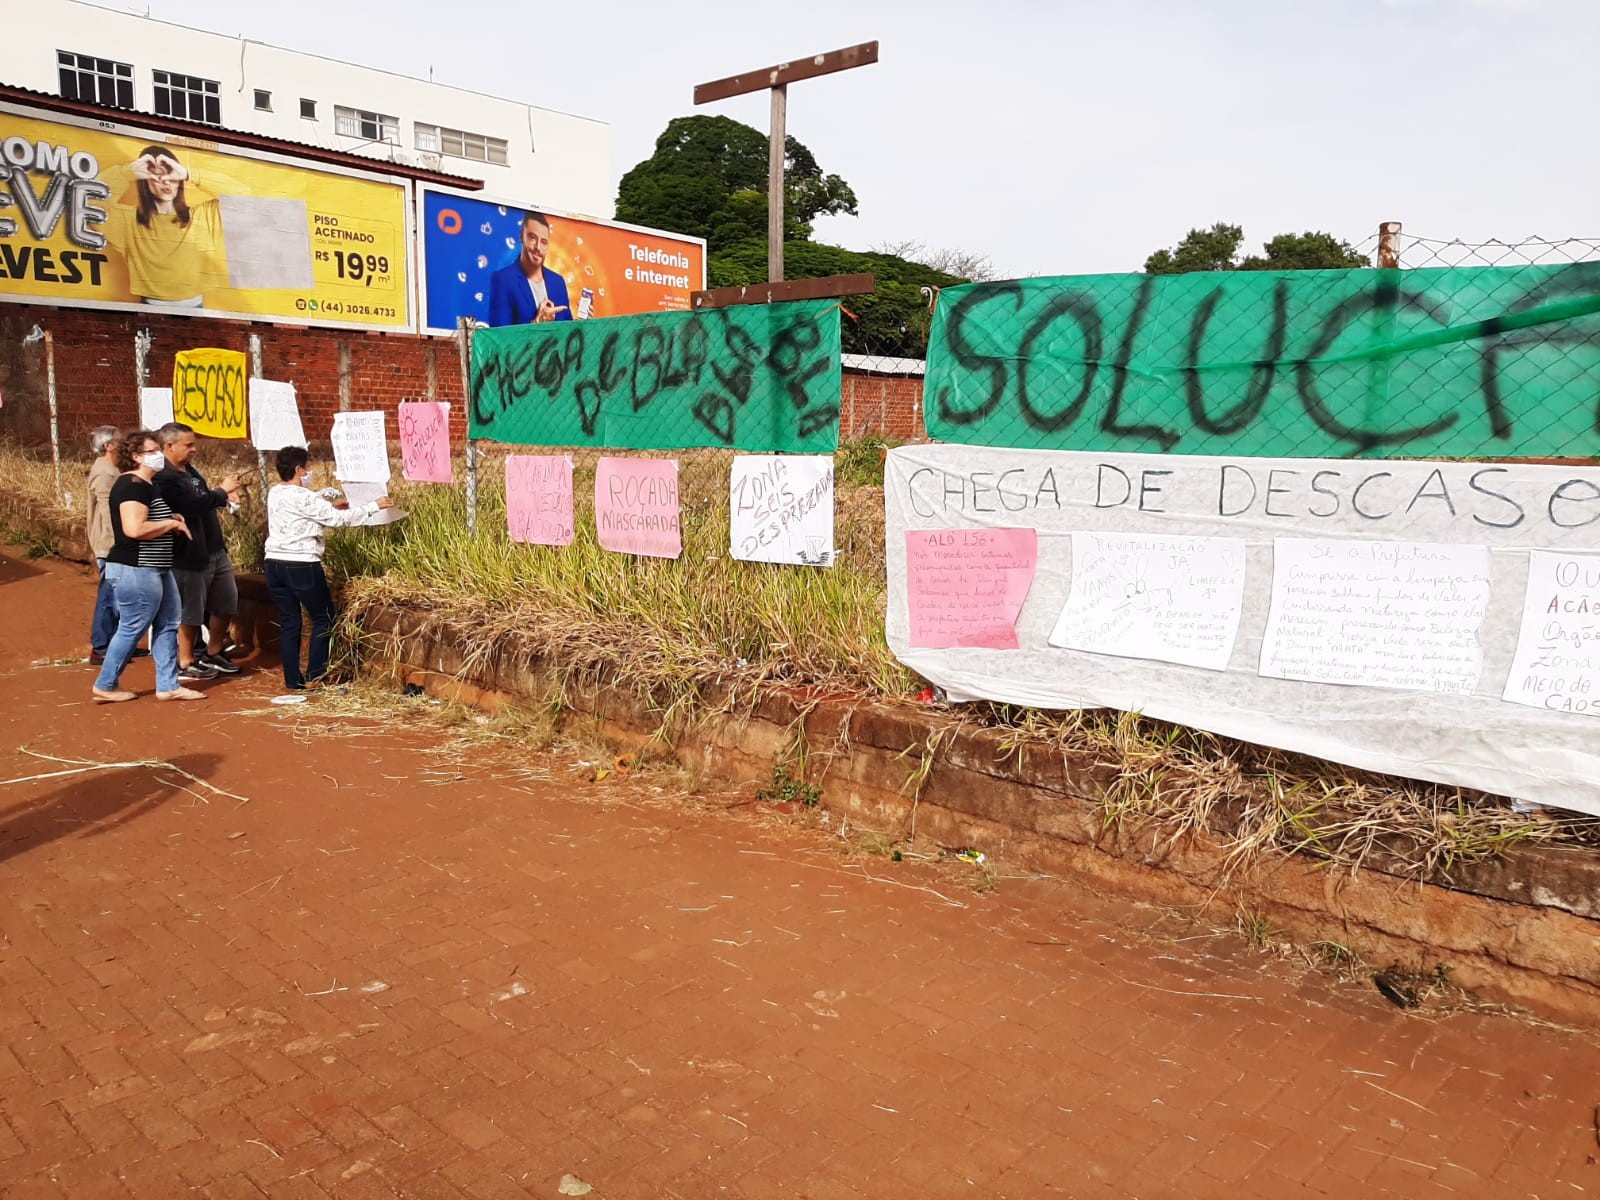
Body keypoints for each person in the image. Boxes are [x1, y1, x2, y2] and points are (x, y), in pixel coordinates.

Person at [264, 446, 393, 691]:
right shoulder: (307, 498)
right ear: (299, 470)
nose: (309, 471)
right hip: (302, 564)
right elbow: (339, 520)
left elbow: (307, 510)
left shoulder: (275, 492)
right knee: (323, 618)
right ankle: (316, 674)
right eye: (307, 468)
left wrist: (332, 504)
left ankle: (293, 680)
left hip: (274, 563)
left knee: (290, 621)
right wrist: (373, 506)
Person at [93, 430, 204, 703]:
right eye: (151, 451)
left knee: (168, 623)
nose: (158, 455)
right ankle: (106, 684)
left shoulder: (148, 484)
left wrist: (170, 517)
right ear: (135, 456)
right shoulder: (133, 485)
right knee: (132, 627)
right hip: (136, 568)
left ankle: (168, 685)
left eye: (158, 450)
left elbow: (149, 519)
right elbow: (134, 528)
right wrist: (170, 523)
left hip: (156, 567)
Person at [154, 422, 243, 682]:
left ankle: (213, 651)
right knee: (190, 611)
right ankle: (185, 660)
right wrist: (221, 491)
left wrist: (222, 498)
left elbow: (204, 499)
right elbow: (189, 505)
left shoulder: (190, 471)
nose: (194, 449)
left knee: (227, 601)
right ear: (169, 446)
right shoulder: (163, 477)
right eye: (188, 445)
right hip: (188, 554)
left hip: (214, 548)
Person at [102, 146, 241, 307]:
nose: (165, 181)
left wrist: (188, 173)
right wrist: (127, 172)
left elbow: (243, 196)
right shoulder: (128, 220)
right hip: (151, 309)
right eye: (156, 176)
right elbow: (87, 201)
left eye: (171, 174)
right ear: (145, 183)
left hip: (196, 310)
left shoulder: (203, 216)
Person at [86, 424, 136, 665]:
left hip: (113, 541)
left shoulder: (112, 469)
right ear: (108, 445)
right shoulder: (105, 473)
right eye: (118, 440)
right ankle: (102, 646)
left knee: (119, 595)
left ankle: (116, 644)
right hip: (109, 543)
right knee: (110, 596)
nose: (123, 443)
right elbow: (109, 511)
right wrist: (122, 540)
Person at [487, 211, 572, 326]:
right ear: (522, 236)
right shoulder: (503, 279)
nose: (538, 247)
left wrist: (586, 321)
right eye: (532, 238)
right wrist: (536, 322)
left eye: (543, 242)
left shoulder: (558, 282)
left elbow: (569, 330)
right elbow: (499, 334)